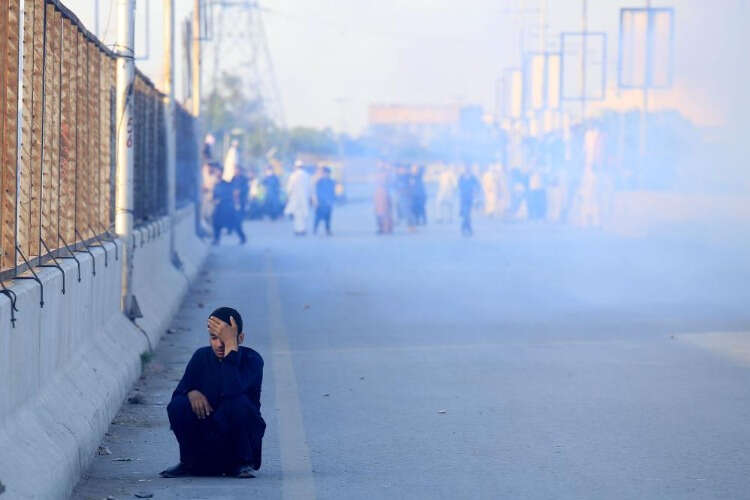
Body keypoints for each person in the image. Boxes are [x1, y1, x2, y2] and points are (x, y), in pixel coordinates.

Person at [161, 307, 265, 478]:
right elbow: (178, 393)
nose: (219, 344)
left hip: (238, 446)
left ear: (240, 338)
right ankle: (189, 462)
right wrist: (191, 392)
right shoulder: (201, 356)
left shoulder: (252, 360)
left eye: (225, 338)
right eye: (214, 337)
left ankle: (241, 464)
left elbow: (232, 391)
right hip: (208, 441)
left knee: (236, 404)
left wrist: (231, 350)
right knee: (179, 405)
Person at [212, 177, 246, 245]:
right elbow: (236, 196)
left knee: (218, 223)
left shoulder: (219, 186)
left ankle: (217, 240)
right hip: (228, 207)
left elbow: (216, 197)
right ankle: (242, 238)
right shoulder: (230, 186)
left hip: (223, 207)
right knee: (235, 224)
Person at [284, 161, 312, 236]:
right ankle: (303, 229)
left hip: (295, 197)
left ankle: (297, 229)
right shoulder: (307, 175)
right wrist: (310, 197)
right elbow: (310, 187)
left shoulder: (293, 175)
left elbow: (289, 187)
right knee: (303, 214)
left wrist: (288, 196)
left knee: (297, 214)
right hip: (304, 197)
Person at [313, 167, 336, 235]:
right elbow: (317, 192)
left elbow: (332, 192)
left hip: (328, 203)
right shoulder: (319, 182)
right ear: (323, 173)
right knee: (318, 217)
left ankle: (327, 230)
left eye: (328, 173)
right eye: (325, 173)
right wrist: (316, 201)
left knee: (328, 217)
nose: (326, 174)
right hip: (321, 203)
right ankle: (315, 229)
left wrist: (332, 200)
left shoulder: (331, 182)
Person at [458, 167, 479, 236]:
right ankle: (468, 228)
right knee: (466, 214)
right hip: (463, 197)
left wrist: (476, 191)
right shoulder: (461, 177)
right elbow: (459, 186)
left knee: (467, 213)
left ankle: (464, 227)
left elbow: (478, 185)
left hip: (470, 197)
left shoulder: (472, 177)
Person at [373, 166, 393, 234]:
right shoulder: (384, 176)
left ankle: (386, 228)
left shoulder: (386, 177)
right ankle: (384, 228)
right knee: (381, 213)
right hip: (380, 195)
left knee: (384, 213)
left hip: (383, 195)